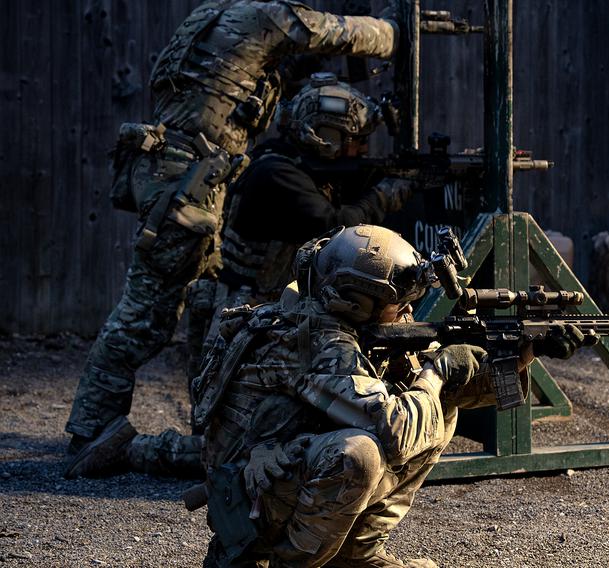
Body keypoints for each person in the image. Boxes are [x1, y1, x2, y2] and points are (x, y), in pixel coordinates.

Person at [65, 0, 401, 470]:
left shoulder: (215, 17)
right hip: (187, 181)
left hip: (185, 172)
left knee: (173, 305)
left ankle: (104, 427)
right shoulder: (262, 17)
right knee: (145, 316)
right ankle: (93, 435)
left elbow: (282, 63)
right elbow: (334, 33)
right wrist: (397, 31)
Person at [190, 225, 585, 566]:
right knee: (360, 453)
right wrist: (440, 368)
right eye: (400, 303)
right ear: (358, 301)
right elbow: (398, 431)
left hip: (280, 478)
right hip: (246, 504)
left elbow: (458, 388)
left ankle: (354, 555)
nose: (408, 311)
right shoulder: (316, 340)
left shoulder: (348, 325)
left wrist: (526, 351)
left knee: (436, 405)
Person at [185, 72, 415, 379]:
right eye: (356, 140)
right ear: (326, 135)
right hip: (245, 312)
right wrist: (388, 193)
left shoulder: (291, 164)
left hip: (267, 308)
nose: (362, 149)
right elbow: (335, 226)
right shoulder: (275, 172)